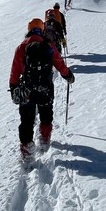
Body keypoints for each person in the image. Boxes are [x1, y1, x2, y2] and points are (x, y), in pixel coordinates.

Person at [9, 18, 75, 157]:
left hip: (27, 90)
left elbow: (15, 71)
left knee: (26, 120)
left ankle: (27, 150)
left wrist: (14, 87)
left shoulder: (21, 47)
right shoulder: (48, 45)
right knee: (46, 115)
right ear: (42, 29)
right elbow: (59, 64)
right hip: (46, 88)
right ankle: (44, 139)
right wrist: (68, 75)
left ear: (29, 30)